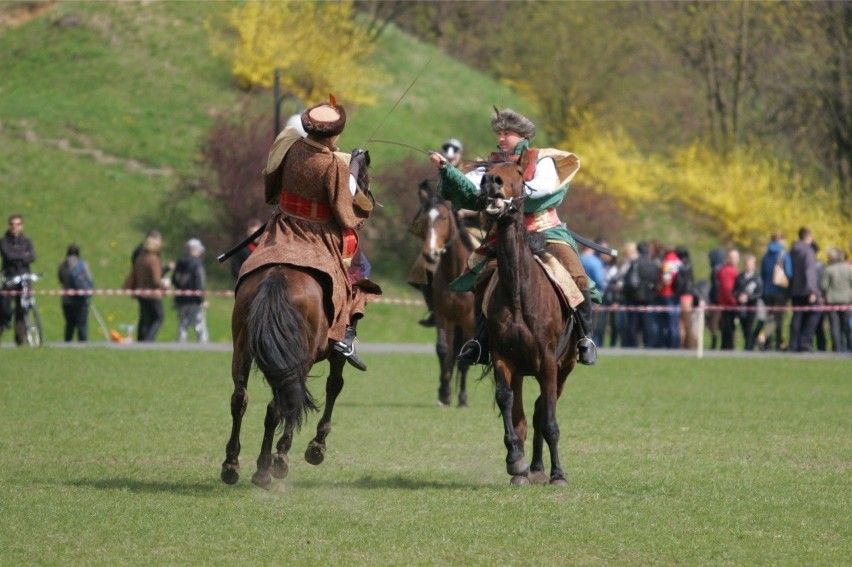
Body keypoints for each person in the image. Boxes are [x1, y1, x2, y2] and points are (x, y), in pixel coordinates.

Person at [428, 108, 598, 365]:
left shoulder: (542, 160)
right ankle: (480, 342)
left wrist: (508, 189)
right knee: (480, 277)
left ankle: (585, 338)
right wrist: (447, 170)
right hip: (505, 234)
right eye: (499, 133)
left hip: (545, 232)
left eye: (507, 133)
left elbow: (543, 188)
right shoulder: (491, 164)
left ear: (523, 135)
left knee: (577, 275)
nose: (501, 138)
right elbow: (469, 186)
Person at [237, 97, 380, 371]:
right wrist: (359, 182)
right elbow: (345, 213)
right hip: (317, 234)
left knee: (252, 266)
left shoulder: (287, 146)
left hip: (283, 226)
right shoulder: (335, 163)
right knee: (359, 269)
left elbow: (271, 184)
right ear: (334, 133)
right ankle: (345, 333)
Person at [407, 138, 466, 327]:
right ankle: (434, 308)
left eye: (453, 157)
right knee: (421, 268)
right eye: (447, 157)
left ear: (459, 156)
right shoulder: (434, 181)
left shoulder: (469, 174)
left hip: (468, 226)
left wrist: (465, 211)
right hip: (441, 230)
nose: (451, 159)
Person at [0, 214, 37, 344]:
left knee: (22, 307)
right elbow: (8, 255)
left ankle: (20, 338)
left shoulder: (27, 241)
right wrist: (23, 255)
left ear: (21, 226)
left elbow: (32, 256)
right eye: (12, 224)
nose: (14, 227)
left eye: (17, 224)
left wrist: (19, 256)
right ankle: (4, 323)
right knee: (4, 305)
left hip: (24, 276)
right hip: (10, 277)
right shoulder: (4, 241)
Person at [131, 231, 168, 342]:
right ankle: (149, 339)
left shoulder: (140, 258)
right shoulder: (153, 260)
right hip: (152, 294)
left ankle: (142, 339)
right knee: (159, 317)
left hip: (140, 291)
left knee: (145, 318)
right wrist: (164, 284)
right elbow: (156, 280)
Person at [788, 227, 820, 352]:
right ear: (808, 236)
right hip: (807, 289)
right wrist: (813, 290)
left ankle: (794, 344)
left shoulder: (793, 250)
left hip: (795, 289)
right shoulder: (808, 251)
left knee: (797, 316)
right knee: (814, 313)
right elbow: (809, 271)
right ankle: (804, 341)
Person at [759, 232, 792, 351]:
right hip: (780, 291)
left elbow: (762, 274)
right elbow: (789, 272)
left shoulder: (766, 255)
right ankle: (764, 337)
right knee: (778, 318)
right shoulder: (783, 254)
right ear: (780, 240)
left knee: (772, 317)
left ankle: (774, 343)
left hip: (767, 291)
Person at [173, 238, 209, 343]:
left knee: (182, 324)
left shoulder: (180, 262)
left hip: (181, 299)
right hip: (195, 300)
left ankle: (181, 345)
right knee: (199, 324)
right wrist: (201, 299)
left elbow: (174, 280)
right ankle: (204, 347)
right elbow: (199, 282)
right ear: (195, 250)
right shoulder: (197, 264)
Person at [57, 244, 94, 342]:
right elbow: (89, 279)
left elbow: (60, 280)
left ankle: (67, 344)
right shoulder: (82, 264)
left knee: (69, 325)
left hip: (67, 299)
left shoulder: (63, 266)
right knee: (82, 325)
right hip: (81, 299)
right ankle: (82, 346)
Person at [820, 246, 852, 352]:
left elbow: (824, 286)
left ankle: (837, 348)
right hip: (847, 300)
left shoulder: (829, 270)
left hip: (832, 300)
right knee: (847, 324)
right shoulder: (848, 269)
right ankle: (849, 345)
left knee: (835, 326)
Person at [733, 254, 763, 350]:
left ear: (754, 265)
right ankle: (748, 345)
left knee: (750, 326)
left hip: (752, 306)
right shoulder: (740, 277)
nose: (748, 266)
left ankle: (749, 346)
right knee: (744, 327)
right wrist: (739, 296)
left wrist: (749, 297)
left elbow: (759, 293)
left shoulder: (757, 278)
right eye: (747, 264)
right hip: (741, 307)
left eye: (750, 264)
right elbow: (735, 290)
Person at [580, 243, 607, 346]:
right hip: (593, 294)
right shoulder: (595, 261)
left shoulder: (578, 257)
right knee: (595, 322)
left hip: (577, 293)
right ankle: (593, 342)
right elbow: (600, 280)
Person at [657, 246, 682, 348]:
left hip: (667, 294)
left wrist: (658, 287)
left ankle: (670, 344)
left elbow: (666, 280)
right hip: (677, 293)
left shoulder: (668, 262)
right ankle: (676, 343)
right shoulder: (679, 261)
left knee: (668, 321)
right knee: (675, 321)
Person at [673, 246, 697, 349]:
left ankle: (685, 343)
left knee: (683, 323)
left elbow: (679, 283)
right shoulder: (689, 265)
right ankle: (687, 344)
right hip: (689, 295)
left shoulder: (681, 266)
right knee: (686, 323)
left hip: (683, 295)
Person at [717, 248, 740, 350]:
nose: (735, 259)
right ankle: (728, 347)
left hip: (727, 302)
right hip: (729, 303)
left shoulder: (728, 269)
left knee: (727, 326)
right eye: (733, 257)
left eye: (736, 257)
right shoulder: (728, 271)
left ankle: (726, 346)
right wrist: (734, 301)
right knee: (729, 327)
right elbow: (727, 289)